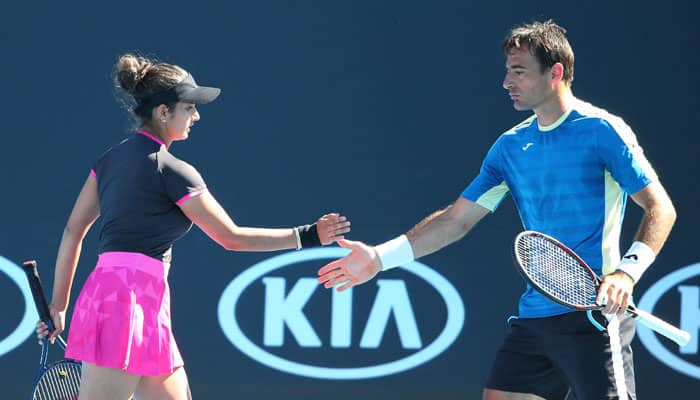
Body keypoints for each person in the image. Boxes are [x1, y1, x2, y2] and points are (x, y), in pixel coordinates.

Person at [317, 20, 676, 400]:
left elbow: (660, 209)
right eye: (507, 71)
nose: (507, 82)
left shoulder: (603, 130)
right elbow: (456, 220)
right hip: (535, 318)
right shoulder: (509, 147)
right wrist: (378, 258)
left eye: (519, 71)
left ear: (555, 73)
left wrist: (626, 273)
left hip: (594, 317)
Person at [35, 53, 351, 400]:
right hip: (124, 304)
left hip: (140, 302)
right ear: (163, 112)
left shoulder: (110, 159)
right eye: (189, 107)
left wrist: (60, 304)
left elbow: (72, 230)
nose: (196, 115)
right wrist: (308, 235)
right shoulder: (172, 170)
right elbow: (231, 238)